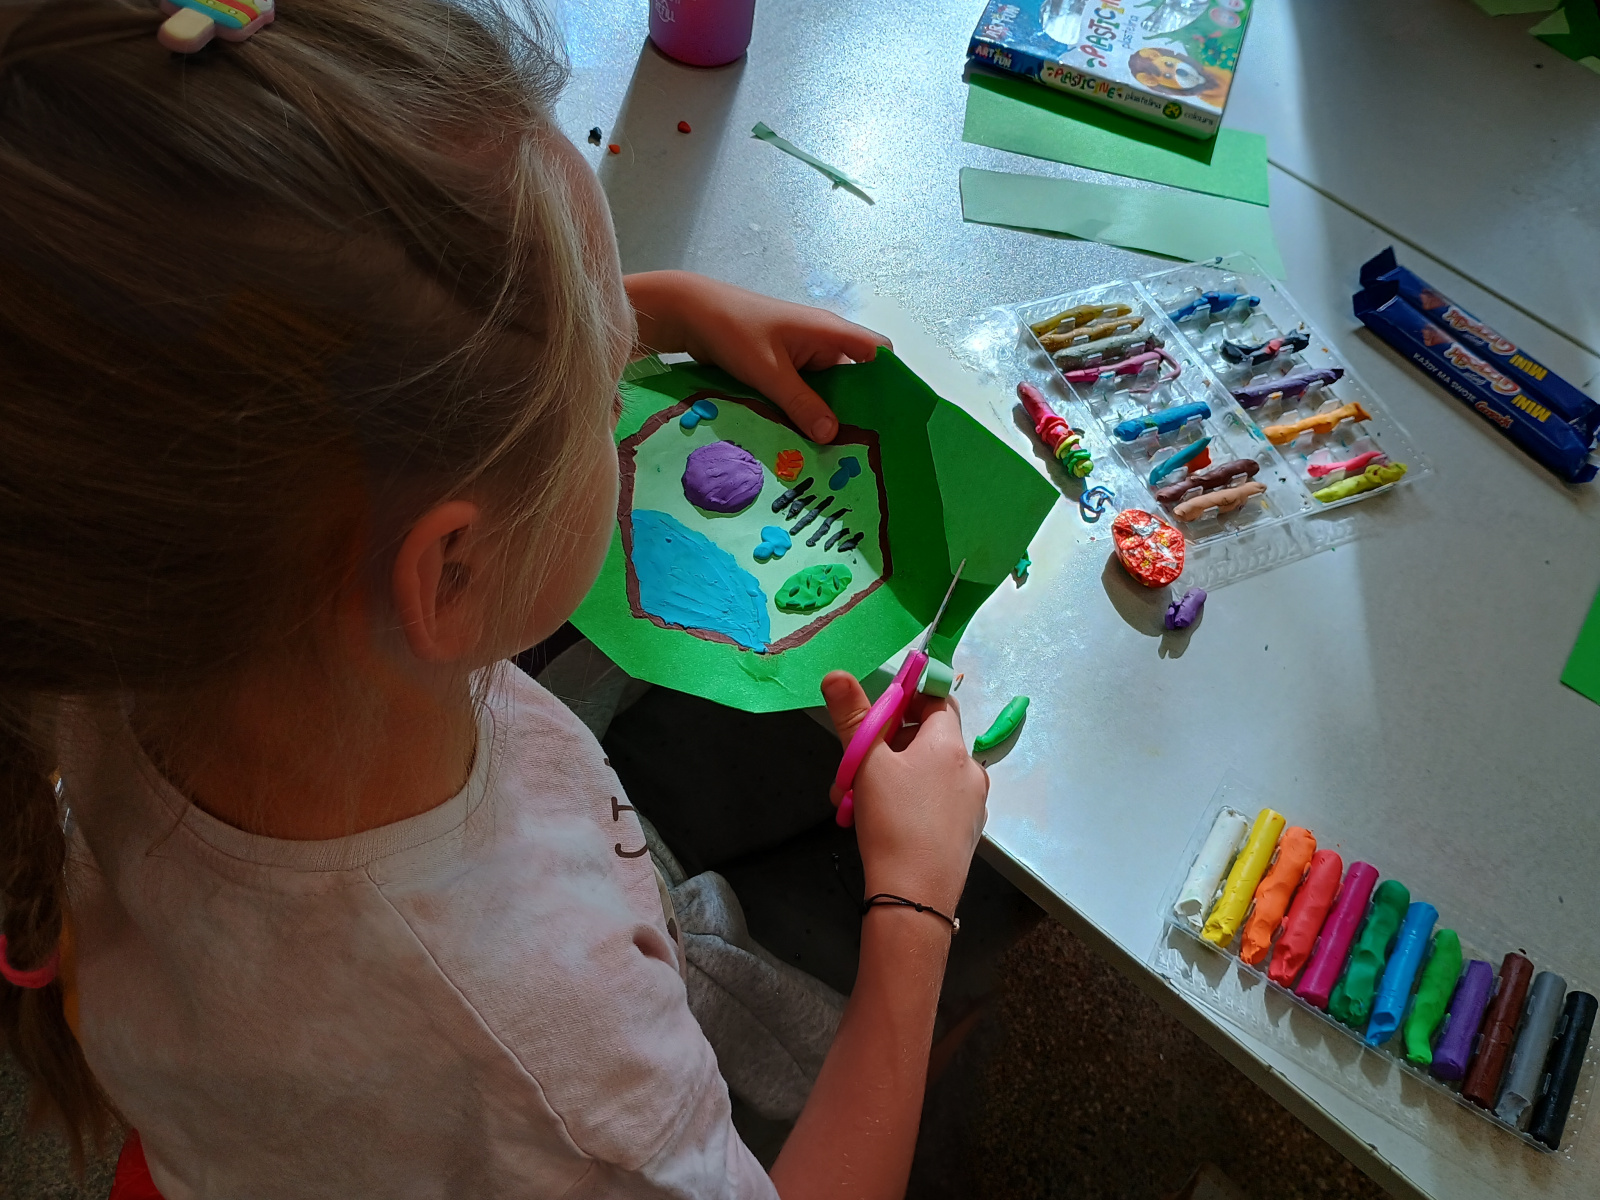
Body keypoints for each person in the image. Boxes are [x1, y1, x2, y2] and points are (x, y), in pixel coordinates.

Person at [0, 0, 991, 1196]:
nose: (625, 376)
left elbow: (311, 377)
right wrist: (914, 909)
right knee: (985, 918)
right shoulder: (549, 1040)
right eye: (603, 378)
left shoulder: (119, 609)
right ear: (449, 571)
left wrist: (661, 310)